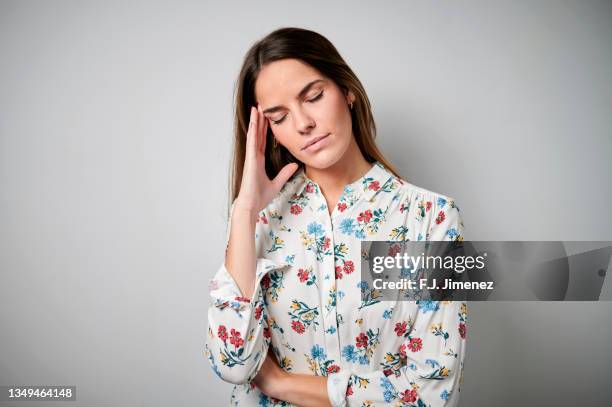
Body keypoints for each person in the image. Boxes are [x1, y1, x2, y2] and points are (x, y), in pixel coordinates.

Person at [205, 27, 467, 407]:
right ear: (271, 133)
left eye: (313, 97)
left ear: (348, 90)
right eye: (279, 117)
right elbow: (233, 365)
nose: (302, 123)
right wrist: (243, 212)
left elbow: (433, 393)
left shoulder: (431, 218)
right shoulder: (259, 222)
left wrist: (280, 383)